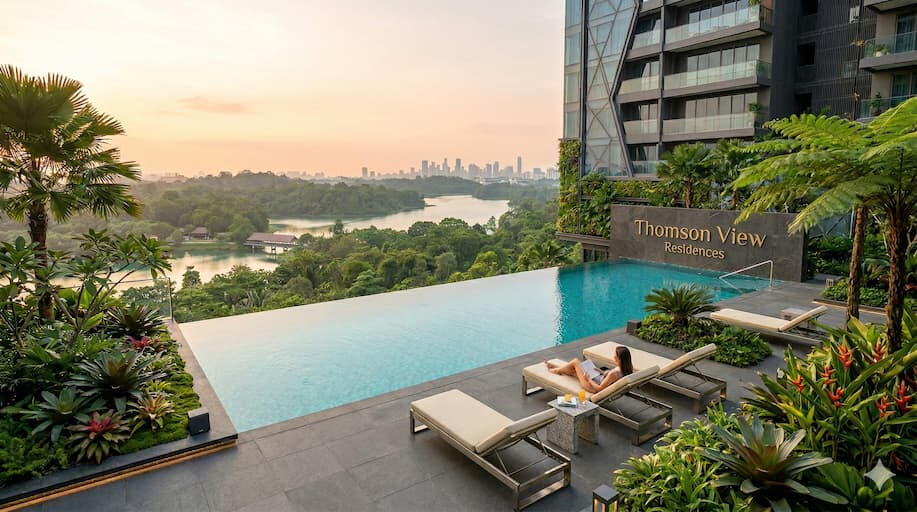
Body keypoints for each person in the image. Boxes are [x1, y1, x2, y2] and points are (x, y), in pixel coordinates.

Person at [544, 346, 634, 394]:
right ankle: (557, 368)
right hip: (598, 378)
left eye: (615, 355)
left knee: (575, 362)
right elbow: (612, 381)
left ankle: (556, 370)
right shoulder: (628, 368)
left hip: (591, 386)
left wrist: (588, 380)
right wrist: (602, 372)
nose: (613, 356)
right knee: (575, 370)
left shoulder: (614, 373)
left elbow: (599, 389)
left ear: (619, 359)